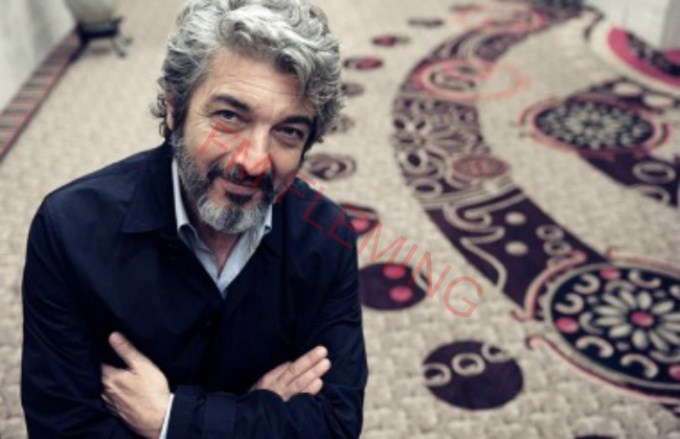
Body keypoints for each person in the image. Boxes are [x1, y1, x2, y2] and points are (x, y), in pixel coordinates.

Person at [20, 0, 368, 437]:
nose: (254, 162)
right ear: (174, 107)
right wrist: (258, 412)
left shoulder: (329, 238)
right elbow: (63, 429)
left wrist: (169, 419)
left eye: (288, 131)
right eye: (229, 117)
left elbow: (335, 425)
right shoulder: (69, 230)